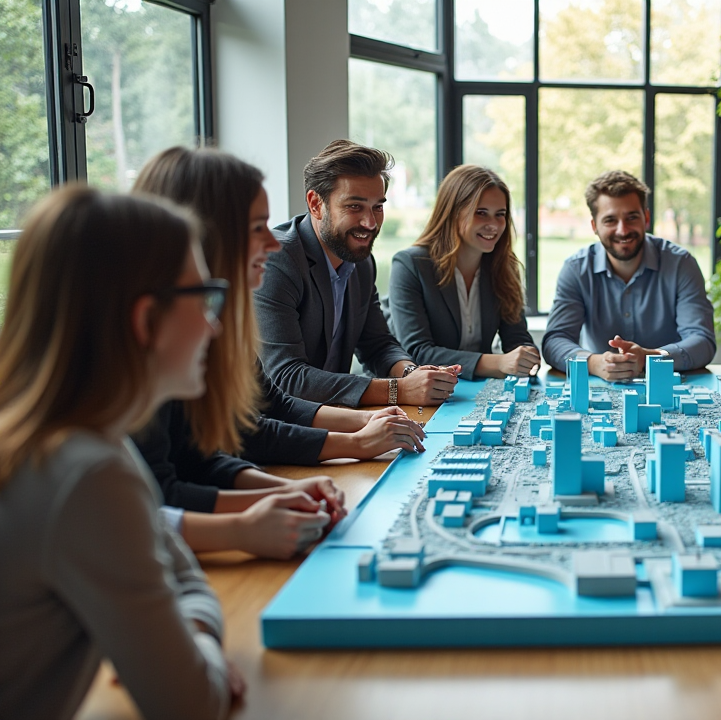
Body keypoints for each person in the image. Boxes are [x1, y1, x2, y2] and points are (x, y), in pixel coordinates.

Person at [0, 187, 240, 718]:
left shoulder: (81, 442)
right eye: (203, 298)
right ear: (145, 320)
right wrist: (198, 628)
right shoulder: (90, 474)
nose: (214, 324)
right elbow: (193, 702)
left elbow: (178, 574)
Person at [131, 147, 428, 558]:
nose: (271, 242)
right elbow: (156, 496)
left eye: (377, 206)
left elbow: (210, 451)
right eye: (256, 228)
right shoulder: (146, 344)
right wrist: (243, 524)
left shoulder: (213, 319)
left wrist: (289, 490)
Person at [254, 139, 460, 406]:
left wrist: (411, 373)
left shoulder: (361, 261)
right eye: (354, 206)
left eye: (378, 206)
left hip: (335, 418)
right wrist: (399, 390)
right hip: (273, 431)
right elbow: (287, 377)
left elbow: (377, 344)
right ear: (316, 204)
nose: (371, 223)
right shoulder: (277, 261)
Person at [542, 170, 716, 379]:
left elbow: (702, 340)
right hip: (600, 388)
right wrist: (594, 363)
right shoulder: (576, 270)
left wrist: (651, 358)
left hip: (671, 385)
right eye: (610, 220)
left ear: (647, 218)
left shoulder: (681, 264)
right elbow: (555, 340)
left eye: (632, 217)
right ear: (594, 226)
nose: (623, 230)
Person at [389, 164, 540, 380]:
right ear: (452, 213)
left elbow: (516, 338)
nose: (493, 225)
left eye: (500, 214)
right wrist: (499, 362)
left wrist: (526, 355)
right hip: (422, 393)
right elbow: (417, 352)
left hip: (478, 390)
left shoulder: (503, 267)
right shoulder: (410, 264)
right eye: (481, 213)